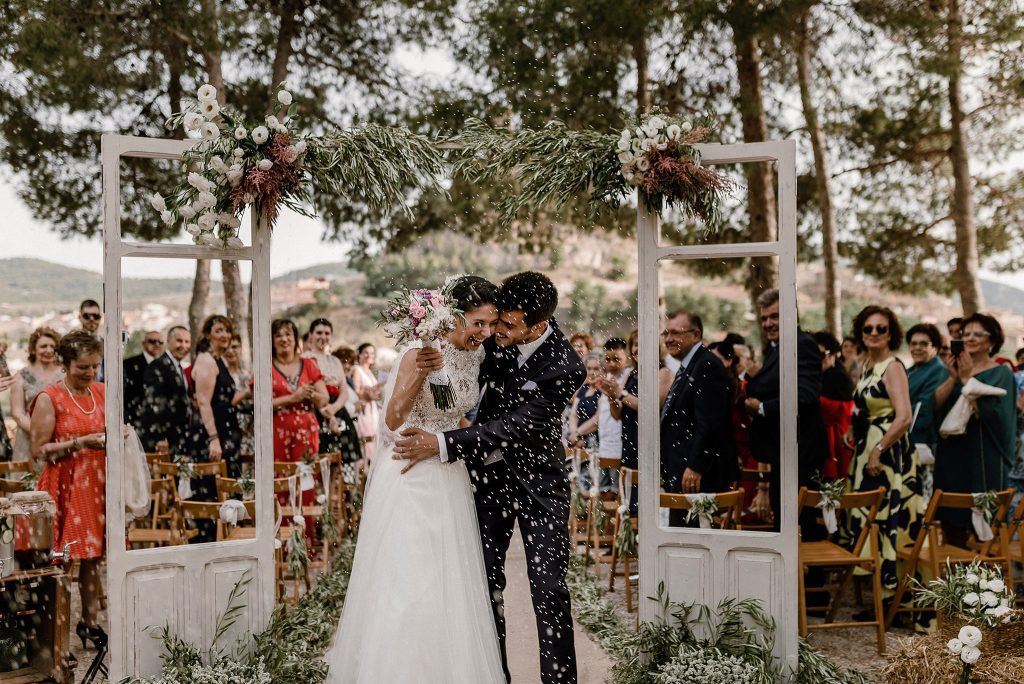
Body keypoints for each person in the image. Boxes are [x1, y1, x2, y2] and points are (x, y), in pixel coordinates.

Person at [393, 271, 586, 684]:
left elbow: (516, 426)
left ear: (537, 326)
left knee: (548, 588)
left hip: (541, 488)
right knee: (484, 587)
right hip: (487, 483)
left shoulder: (566, 366)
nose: (496, 331)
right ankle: (495, 675)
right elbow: (456, 380)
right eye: (495, 320)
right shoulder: (493, 341)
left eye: (507, 325)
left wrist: (442, 442)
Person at [328, 275, 506, 683]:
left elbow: (451, 414)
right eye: (477, 323)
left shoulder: (475, 358)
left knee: (450, 584)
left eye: (491, 324)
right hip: (410, 474)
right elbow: (392, 418)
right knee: (411, 583)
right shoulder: (418, 351)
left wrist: (482, 446)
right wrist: (422, 373)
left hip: (448, 475)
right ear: (454, 316)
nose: (485, 333)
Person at [29, 330, 107, 649]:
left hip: (96, 485)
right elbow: (38, 449)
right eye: (82, 367)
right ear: (65, 364)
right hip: (64, 486)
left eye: (94, 366)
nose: (89, 373)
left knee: (93, 558)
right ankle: (53, 630)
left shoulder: (102, 392)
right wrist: (78, 443)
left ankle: (90, 624)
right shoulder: (50, 397)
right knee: (62, 558)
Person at [845, 305, 922, 617]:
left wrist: (878, 450)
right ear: (860, 333)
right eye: (868, 329)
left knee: (891, 521)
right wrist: (854, 430)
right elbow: (865, 407)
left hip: (891, 453)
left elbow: (903, 417)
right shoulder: (865, 364)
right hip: (868, 447)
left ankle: (896, 603)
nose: (874, 334)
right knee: (872, 522)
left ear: (892, 333)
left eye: (881, 329)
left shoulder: (892, 367)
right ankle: (882, 600)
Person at [745, 289, 828, 531]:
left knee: (799, 527)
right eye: (764, 318)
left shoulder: (802, 345)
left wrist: (761, 408)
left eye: (775, 316)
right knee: (786, 525)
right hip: (784, 451)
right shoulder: (776, 346)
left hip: (801, 452)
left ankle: (806, 570)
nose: (768, 323)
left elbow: (806, 397)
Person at [934, 312, 1017, 547]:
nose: (970, 338)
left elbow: (996, 415)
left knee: (982, 528)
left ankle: (983, 581)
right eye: (965, 334)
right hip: (951, 456)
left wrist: (967, 378)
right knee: (951, 525)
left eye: (977, 334)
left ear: (991, 342)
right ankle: (952, 579)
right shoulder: (952, 370)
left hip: (983, 457)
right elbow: (936, 406)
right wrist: (953, 378)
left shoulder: (1001, 373)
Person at [659, 311, 737, 525]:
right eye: (666, 333)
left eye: (675, 333)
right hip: (681, 471)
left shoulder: (706, 365)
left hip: (696, 477)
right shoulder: (690, 365)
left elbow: (710, 422)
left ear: (696, 334)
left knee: (694, 543)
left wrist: (696, 467)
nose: (668, 339)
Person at [576, 338, 631, 494]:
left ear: (626, 357)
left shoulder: (628, 378)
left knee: (617, 494)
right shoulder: (606, 379)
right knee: (602, 494)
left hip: (619, 447)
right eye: (608, 359)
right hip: (605, 446)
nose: (612, 364)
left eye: (616, 359)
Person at [10, 327, 63, 462]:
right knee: (28, 481)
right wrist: (39, 432)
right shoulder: (21, 376)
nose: (49, 350)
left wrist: (55, 433)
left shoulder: (65, 374)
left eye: (52, 346)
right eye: (43, 346)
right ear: (33, 349)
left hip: (58, 440)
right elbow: (17, 413)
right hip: (27, 439)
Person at [303, 319, 353, 455]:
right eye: (319, 333)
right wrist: (328, 414)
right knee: (321, 457)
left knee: (342, 462)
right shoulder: (305, 359)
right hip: (316, 411)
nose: (323, 337)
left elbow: (344, 390)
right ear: (311, 334)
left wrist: (334, 408)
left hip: (338, 410)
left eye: (327, 333)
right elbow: (309, 390)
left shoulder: (335, 361)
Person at [142, 326, 192, 456]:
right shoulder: (158, 365)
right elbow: (153, 404)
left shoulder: (178, 366)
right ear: (168, 342)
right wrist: (160, 437)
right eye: (179, 341)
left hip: (179, 437)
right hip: (165, 439)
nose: (184, 346)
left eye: (187, 342)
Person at [812, 331, 855, 481]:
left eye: (821, 355)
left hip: (837, 440)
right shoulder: (817, 375)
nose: (816, 360)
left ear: (833, 355)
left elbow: (840, 410)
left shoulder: (838, 376)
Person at [905, 323, 947, 461]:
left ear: (934, 347)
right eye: (913, 343)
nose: (917, 348)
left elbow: (923, 408)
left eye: (923, 344)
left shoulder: (938, 370)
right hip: (904, 435)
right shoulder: (910, 370)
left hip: (921, 441)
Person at [123, 330, 163, 434]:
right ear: (143, 344)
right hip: (135, 423)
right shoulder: (129, 364)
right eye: (152, 341)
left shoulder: (165, 366)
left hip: (159, 424)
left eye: (160, 342)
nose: (157, 344)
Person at [223, 333, 254, 458]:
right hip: (231, 426)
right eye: (227, 348)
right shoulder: (222, 375)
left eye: (235, 347)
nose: (231, 351)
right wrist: (247, 391)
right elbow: (227, 403)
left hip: (250, 428)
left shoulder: (247, 375)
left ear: (241, 348)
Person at [567, 351, 603, 454]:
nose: (592, 372)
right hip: (577, 441)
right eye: (589, 368)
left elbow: (597, 419)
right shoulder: (583, 389)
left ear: (603, 370)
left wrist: (578, 434)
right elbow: (573, 415)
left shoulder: (603, 391)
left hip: (594, 442)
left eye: (596, 369)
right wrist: (574, 435)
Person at [352, 343, 382, 465]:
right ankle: (364, 470)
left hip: (373, 410)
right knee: (366, 442)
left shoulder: (369, 371)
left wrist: (376, 394)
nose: (370, 355)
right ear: (359, 354)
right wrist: (367, 395)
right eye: (366, 352)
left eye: (372, 353)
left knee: (375, 440)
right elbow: (356, 392)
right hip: (364, 411)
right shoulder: (357, 370)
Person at [78, 299, 104, 381]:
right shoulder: (72, 344)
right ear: (80, 318)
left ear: (100, 318)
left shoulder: (106, 345)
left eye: (96, 316)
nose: (92, 319)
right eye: (87, 316)